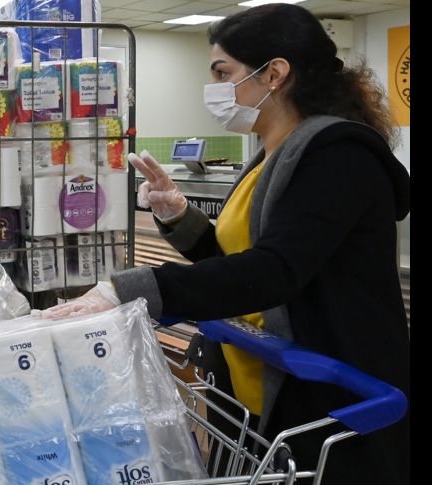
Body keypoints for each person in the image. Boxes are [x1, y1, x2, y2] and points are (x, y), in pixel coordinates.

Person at [42, 4, 409, 484]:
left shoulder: (338, 157)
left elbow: (274, 272)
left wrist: (134, 288)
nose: (213, 87)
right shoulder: (270, 157)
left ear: (274, 74)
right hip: (257, 389)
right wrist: (179, 217)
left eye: (223, 72)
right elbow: (237, 262)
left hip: (333, 398)